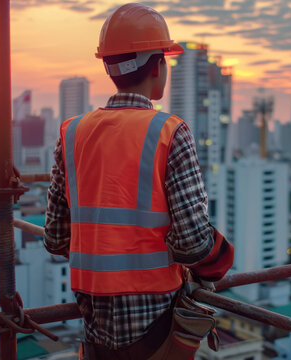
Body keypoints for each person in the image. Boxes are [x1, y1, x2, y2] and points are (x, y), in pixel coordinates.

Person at [43, 3, 234, 359]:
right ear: (157, 65)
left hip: (94, 329)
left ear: (109, 66)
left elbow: (55, 238)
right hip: (156, 329)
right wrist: (222, 257)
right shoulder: (169, 132)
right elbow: (193, 244)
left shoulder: (71, 133)